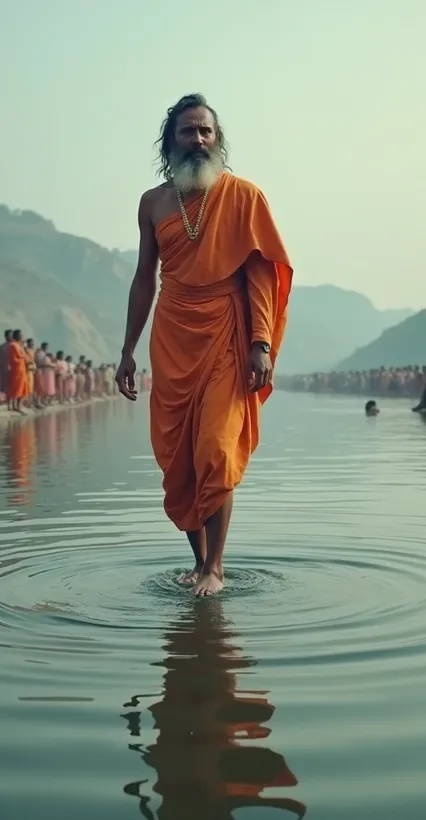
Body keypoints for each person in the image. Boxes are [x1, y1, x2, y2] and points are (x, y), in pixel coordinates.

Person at [116, 93, 292, 596]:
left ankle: (216, 566)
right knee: (181, 460)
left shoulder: (243, 196)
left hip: (227, 333)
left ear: (218, 140)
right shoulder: (152, 203)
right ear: (170, 141)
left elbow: (261, 273)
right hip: (172, 335)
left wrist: (261, 341)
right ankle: (198, 563)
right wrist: (128, 348)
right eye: (187, 131)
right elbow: (144, 279)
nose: (197, 139)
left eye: (205, 132)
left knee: (215, 447)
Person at [7, 329, 28, 413]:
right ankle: (14, 406)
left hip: (22, 369)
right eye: (21, 335)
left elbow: (24, 356)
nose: (22, 337)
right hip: (16, 369)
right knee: (16, 387)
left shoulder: (20, 346)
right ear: (16, 336)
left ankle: (19, 405)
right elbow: (13, 359)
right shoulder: (13, 345)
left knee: (23, 387)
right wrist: (22, 358)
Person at [0, 329, 12, 408]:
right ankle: (4, 401)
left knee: (11, 386)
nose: (11, 336)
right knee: (4, 385)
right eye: (10, 335)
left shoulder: (14, 345)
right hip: (4, 368)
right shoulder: (2, 346)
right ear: (6, 336)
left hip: (13, 369)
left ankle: (10, 403)